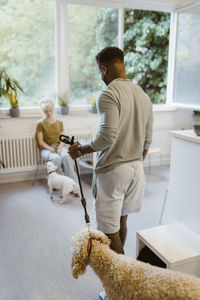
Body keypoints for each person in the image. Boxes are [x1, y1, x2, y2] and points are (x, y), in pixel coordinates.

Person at [68, 47, 153, 298]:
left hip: (114, 170)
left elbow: (107, 136)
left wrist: (81, 149)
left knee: (107, 230)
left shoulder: (108, 93)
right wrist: (133, 160)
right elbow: (147, 140)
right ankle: (124, 278)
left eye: (99, 71)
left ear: (104, 68)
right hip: (137, 168)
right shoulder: (143, 95)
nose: (100, 75)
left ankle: (124, 286)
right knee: (121, 221)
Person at [36, 98, 78, 195]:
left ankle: (72, 185)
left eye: (50, 110)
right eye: (46, 111)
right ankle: (56, 183)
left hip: (59, 146)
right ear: (43, 112)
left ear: (53, 110)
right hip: (46, 149)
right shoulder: (40, 124)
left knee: (66, 156)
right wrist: (51, 149)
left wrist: (59, 148)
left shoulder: (59, 122)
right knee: (57, 159)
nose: (49, 113)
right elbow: (40, 141)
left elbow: (63, 139)